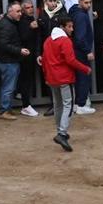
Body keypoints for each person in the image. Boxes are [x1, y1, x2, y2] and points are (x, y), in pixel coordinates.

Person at [42, 14, 91, 152]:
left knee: (58, 105)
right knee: (68, 105)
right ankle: (62, 133)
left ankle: (60, 131)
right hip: (64, 78)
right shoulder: (65, 41)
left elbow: (45, 60)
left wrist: (47, 76)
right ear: (62, 27)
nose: (72, 29)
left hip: (52, 78)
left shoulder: (48, 41)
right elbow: (71, 60)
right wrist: (85, 68)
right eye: (69, 27)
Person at [0, 2, 27, 120]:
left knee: (9, 86)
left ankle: (7, 108)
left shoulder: (10, 23)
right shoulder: (6, 25)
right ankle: (4, 110)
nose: (20, 14)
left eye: (20, 11)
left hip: (10, 60)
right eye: (17, 11)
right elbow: (3, 45)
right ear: (10, 12)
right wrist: (19, 50)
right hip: (8, 61)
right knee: (8, 87)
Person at [71, 0, 96, 115]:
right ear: (79, 1)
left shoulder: (75, 11)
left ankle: (77, 104)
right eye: (86, 2)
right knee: (83, 78)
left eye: (90, 2)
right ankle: (81, 105)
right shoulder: (81, 16)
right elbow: (80, 38)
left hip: (76, 51)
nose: (89, 5)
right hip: (80, 52)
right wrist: (87, 51)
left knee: (79, 78)